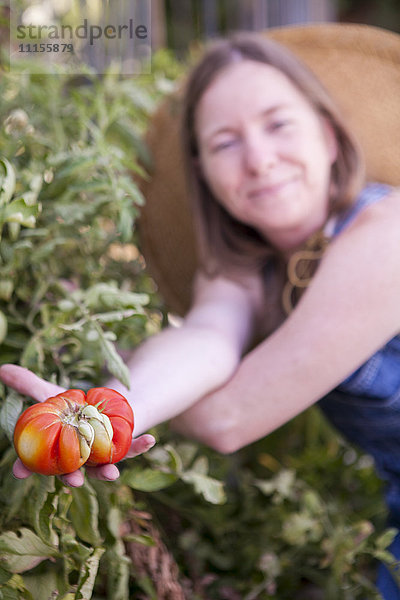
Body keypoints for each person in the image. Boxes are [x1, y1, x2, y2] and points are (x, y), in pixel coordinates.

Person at [1, 31, 400, 597]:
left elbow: (227, 418)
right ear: (204, 172)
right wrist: (97, 414)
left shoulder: (390, 235)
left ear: (330, 135)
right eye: (225, 143)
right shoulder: (245, 273)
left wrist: (125, 414)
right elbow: (206, 340)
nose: (259, 160)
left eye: (279, 124)